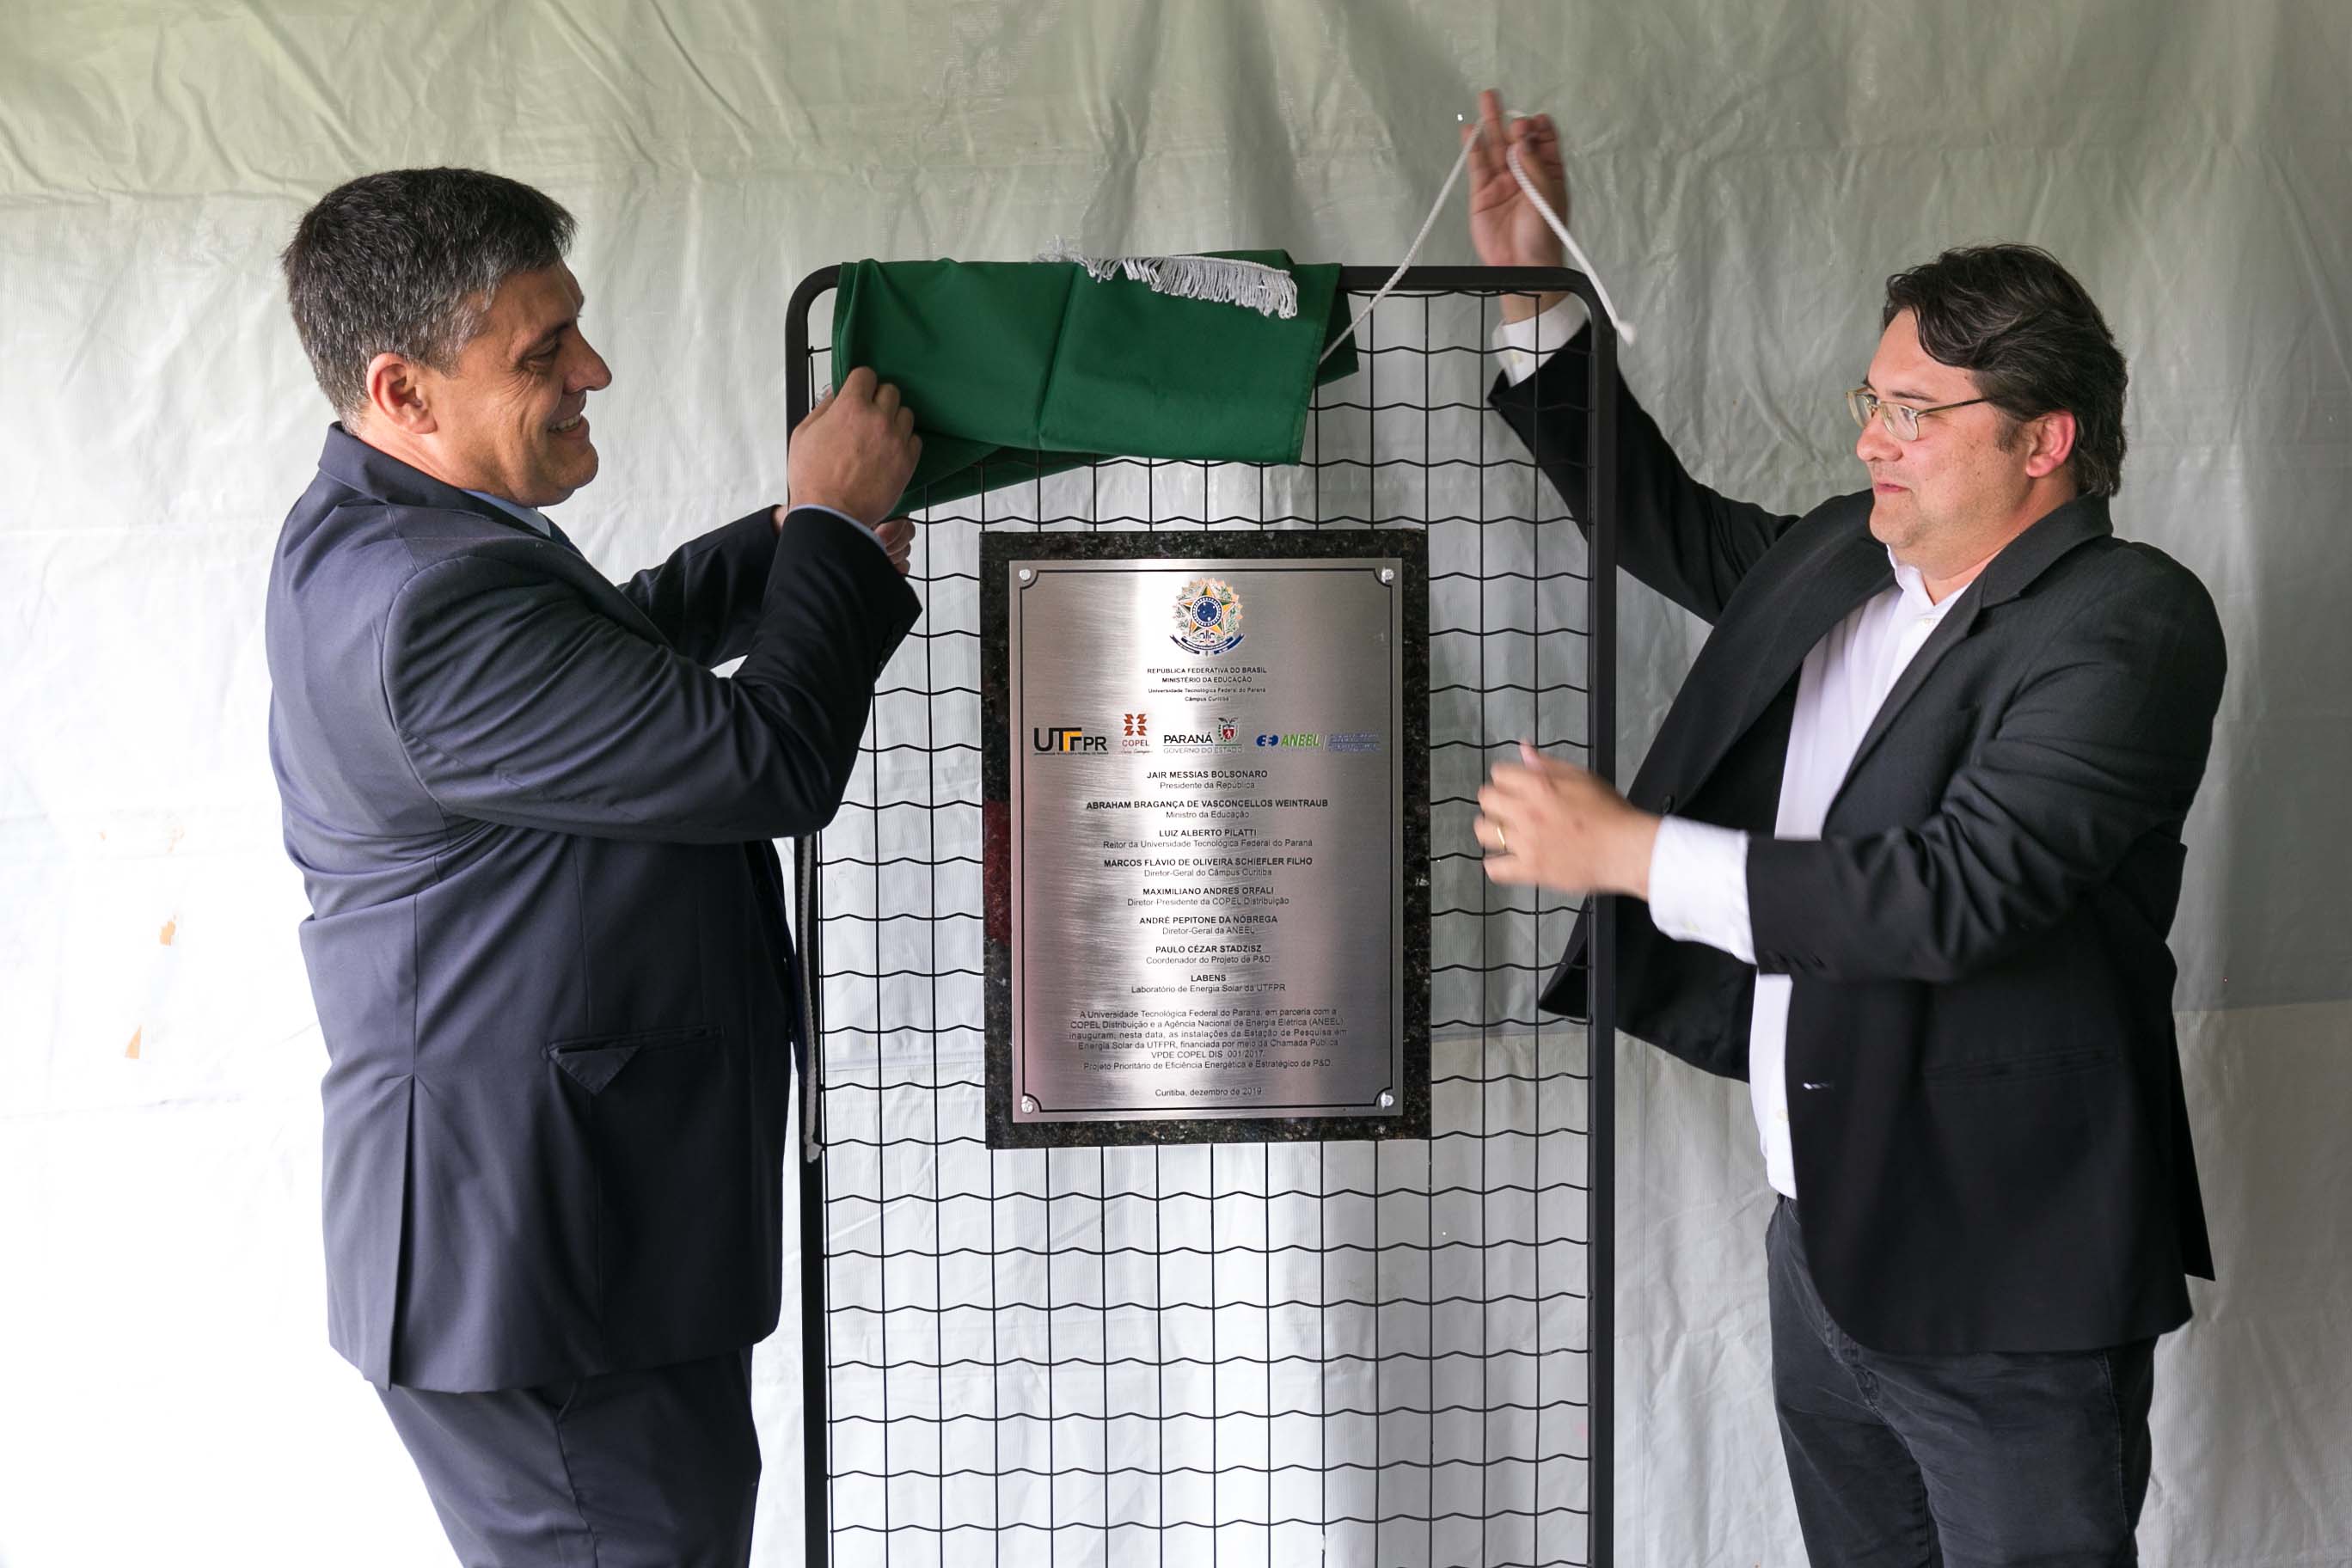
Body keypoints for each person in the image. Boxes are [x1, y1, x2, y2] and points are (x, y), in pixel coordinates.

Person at [1462, 90, 2226, 1565]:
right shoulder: (1847, 554)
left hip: (2007, 1282)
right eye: (1871, 402)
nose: (1877, 438)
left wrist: (1629, 851)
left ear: (2044, 439)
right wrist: (1531, 291)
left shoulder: (2127, 623)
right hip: (1823, 1238)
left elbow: (1957, 894)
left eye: (1917, 412)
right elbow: (1659, 519)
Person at [266, 167, 922, 1566]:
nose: (595, 370)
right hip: (546, 1273)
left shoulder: (400, 532)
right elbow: (769, 766)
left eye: (577, 328)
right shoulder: (424, 603)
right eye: (540, 353)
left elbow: (606, 658)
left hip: (558, 1250)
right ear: (403, 390)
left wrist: (808, 532)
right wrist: (837, 536)